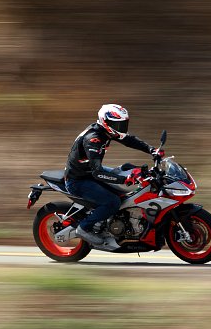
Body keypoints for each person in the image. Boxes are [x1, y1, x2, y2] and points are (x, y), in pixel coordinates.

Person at [64, 104, 162, 246]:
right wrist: (125, 179)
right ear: (106, 122)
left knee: (129, 168)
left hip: (89, 172)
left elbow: (129, 140)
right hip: (78, 180)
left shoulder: (107, 131)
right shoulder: (93, 139)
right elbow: (98, 173)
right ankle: (84, 228)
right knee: (113, 201)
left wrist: (152, 150)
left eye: (123, 124)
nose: (122, 127)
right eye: (118, 124)